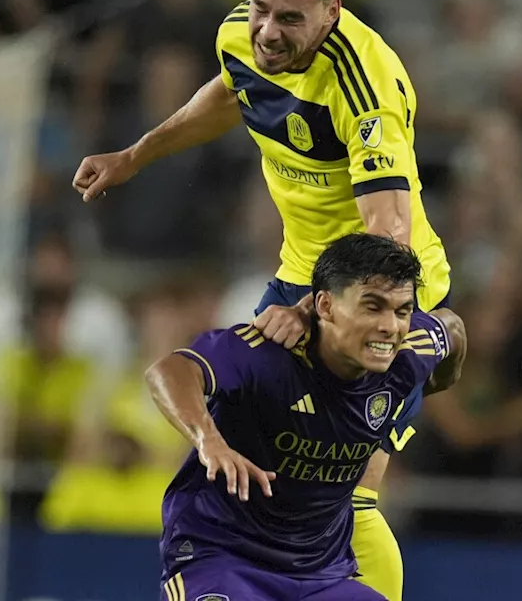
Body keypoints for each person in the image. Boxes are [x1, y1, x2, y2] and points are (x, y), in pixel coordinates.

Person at [74, 0, 452, 600]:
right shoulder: (242, 34)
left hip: (376, 293)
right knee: (261, 474)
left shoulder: (364, 87)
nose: (269, 32)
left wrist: (318, 313)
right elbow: (229, 94)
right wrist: (135, 155)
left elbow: (389, 234)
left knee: (349, 494)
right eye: (262, 9)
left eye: (291, 19)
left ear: (332, 12)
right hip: (300, 279)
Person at [145, 234, 467, 601]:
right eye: (372, 307)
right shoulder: (271, 353)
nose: (390, 326)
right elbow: (169, 372)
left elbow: (451, 328)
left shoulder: (408, 354)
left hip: (320, 576)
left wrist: (440, 379)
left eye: (402, 310)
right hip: (224, 558)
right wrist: (209, 439)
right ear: (325, 306)